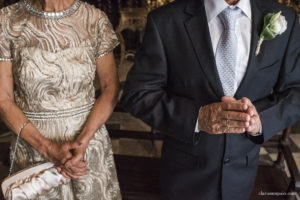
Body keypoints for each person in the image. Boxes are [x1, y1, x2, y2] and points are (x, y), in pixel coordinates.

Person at [120, 0, 300, 199]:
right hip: (183, 177)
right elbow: (137, 93)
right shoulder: (165, 20)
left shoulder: (286, 19)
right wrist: (197, 118)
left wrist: (261, 122)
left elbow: (296, 91)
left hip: (242, 176)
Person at [0, 0, 121, 199]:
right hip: (33, 147)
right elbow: (3, 100)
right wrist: (47, 149)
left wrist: (82, 143)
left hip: (86, 147)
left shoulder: (95, 19)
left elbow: (111, 88)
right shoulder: (6, 20)